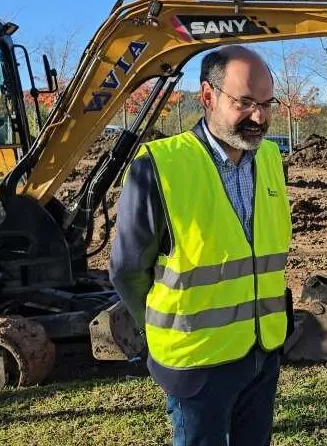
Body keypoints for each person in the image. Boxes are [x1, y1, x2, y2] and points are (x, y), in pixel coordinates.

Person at [109, 45, 292, 446]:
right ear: (208, 96)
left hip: (261, 354)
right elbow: (126, 270)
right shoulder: (160, 166)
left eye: (266, 103)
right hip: (195, 365)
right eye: (244, 102)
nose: (259, 117)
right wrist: (164, 328)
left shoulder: (272, 158)